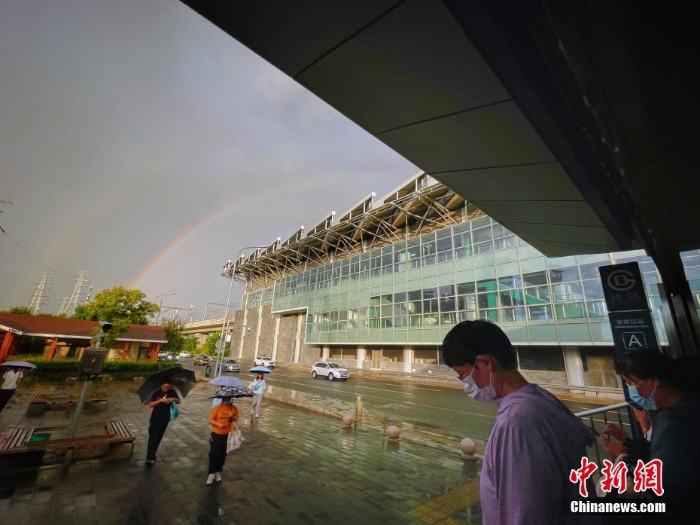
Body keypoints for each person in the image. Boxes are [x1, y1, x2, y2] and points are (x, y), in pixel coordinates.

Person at [442, 320, 599, 525]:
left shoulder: (517, 422)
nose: (464, 384)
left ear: (486, 364)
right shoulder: (541, 399)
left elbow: (525, 513)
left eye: (463, 375)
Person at [599, 349, 700, 520]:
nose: (633, 390)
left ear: (654, 382)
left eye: (631, 383)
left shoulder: (672, 421)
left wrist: (623, 461)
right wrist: (628, 442)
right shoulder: (687, 406)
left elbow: (668, 487)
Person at [145, 381, 180, 465]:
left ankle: (151, 455)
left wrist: (173, 399)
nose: (167, 388)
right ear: (161, 386)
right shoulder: (157, 393)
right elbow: (150, 405)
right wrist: (161, 400)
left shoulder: (172, 392)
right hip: (155, 418)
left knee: (158, 438)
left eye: (169, 387)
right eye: (165, 387)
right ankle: (149, 457)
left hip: (165, 419)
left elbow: (179, 401)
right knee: (153, 437)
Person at [207, 395, 239, 484]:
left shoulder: (233, 408)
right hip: (216, 434)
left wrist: (232, 417)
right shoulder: (217, 408)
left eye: (229, 399)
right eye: (226, 399)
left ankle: (217, 471)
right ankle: (211, 473)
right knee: (214, 454)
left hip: (227, 435)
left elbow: (236, 419)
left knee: (222, 455)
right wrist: (218, 424)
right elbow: (210, 420)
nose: (227, 400)